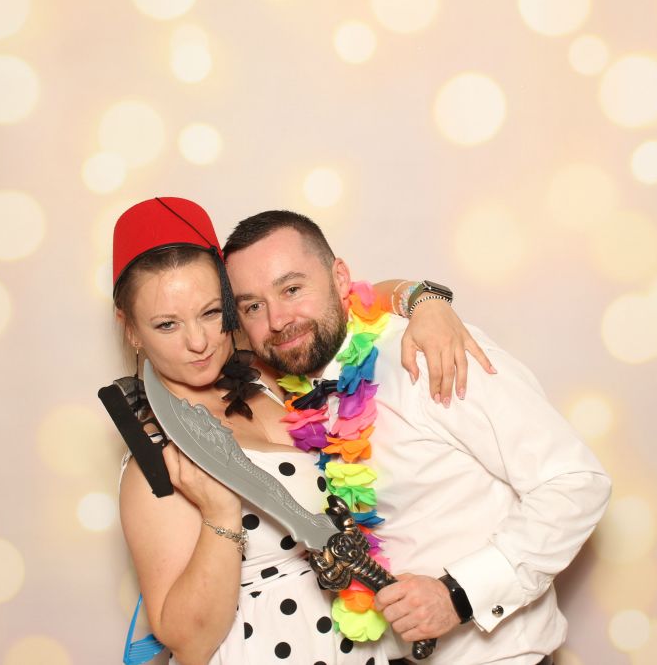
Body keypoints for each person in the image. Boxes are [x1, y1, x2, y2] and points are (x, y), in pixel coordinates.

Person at [111, 197, 490, 665]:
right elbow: (189, 641)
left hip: (358, 644)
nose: (198, 341)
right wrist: (220, 513)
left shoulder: (269, 372)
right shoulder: (160, 457)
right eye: (167, 324)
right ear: (132, 329)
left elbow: (341, 301)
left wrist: (426, 303)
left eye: (210, 313)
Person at [223, 211, 612, 665]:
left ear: (340, 277)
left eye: (292, 289)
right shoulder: (290, 391)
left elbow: (575, 483)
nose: (277, 320)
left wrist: (458, 595)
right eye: (253, 307)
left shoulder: (428, 356)